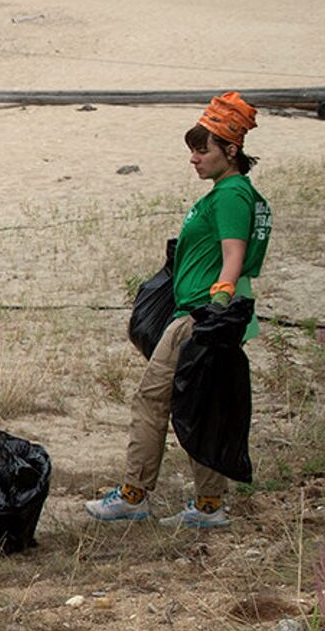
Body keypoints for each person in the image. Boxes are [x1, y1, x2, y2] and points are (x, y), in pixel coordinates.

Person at [87, 92, 271, 529]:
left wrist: (216, 308)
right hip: (201, 316)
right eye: (192, 149)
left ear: (230, 150)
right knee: (204, 404)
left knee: (152, 400)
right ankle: (209, 505)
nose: (193, 158)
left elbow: (233, 254)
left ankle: (134, 495)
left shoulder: (230, 195)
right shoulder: (234, 192)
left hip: (198, 317)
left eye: (202, 149)